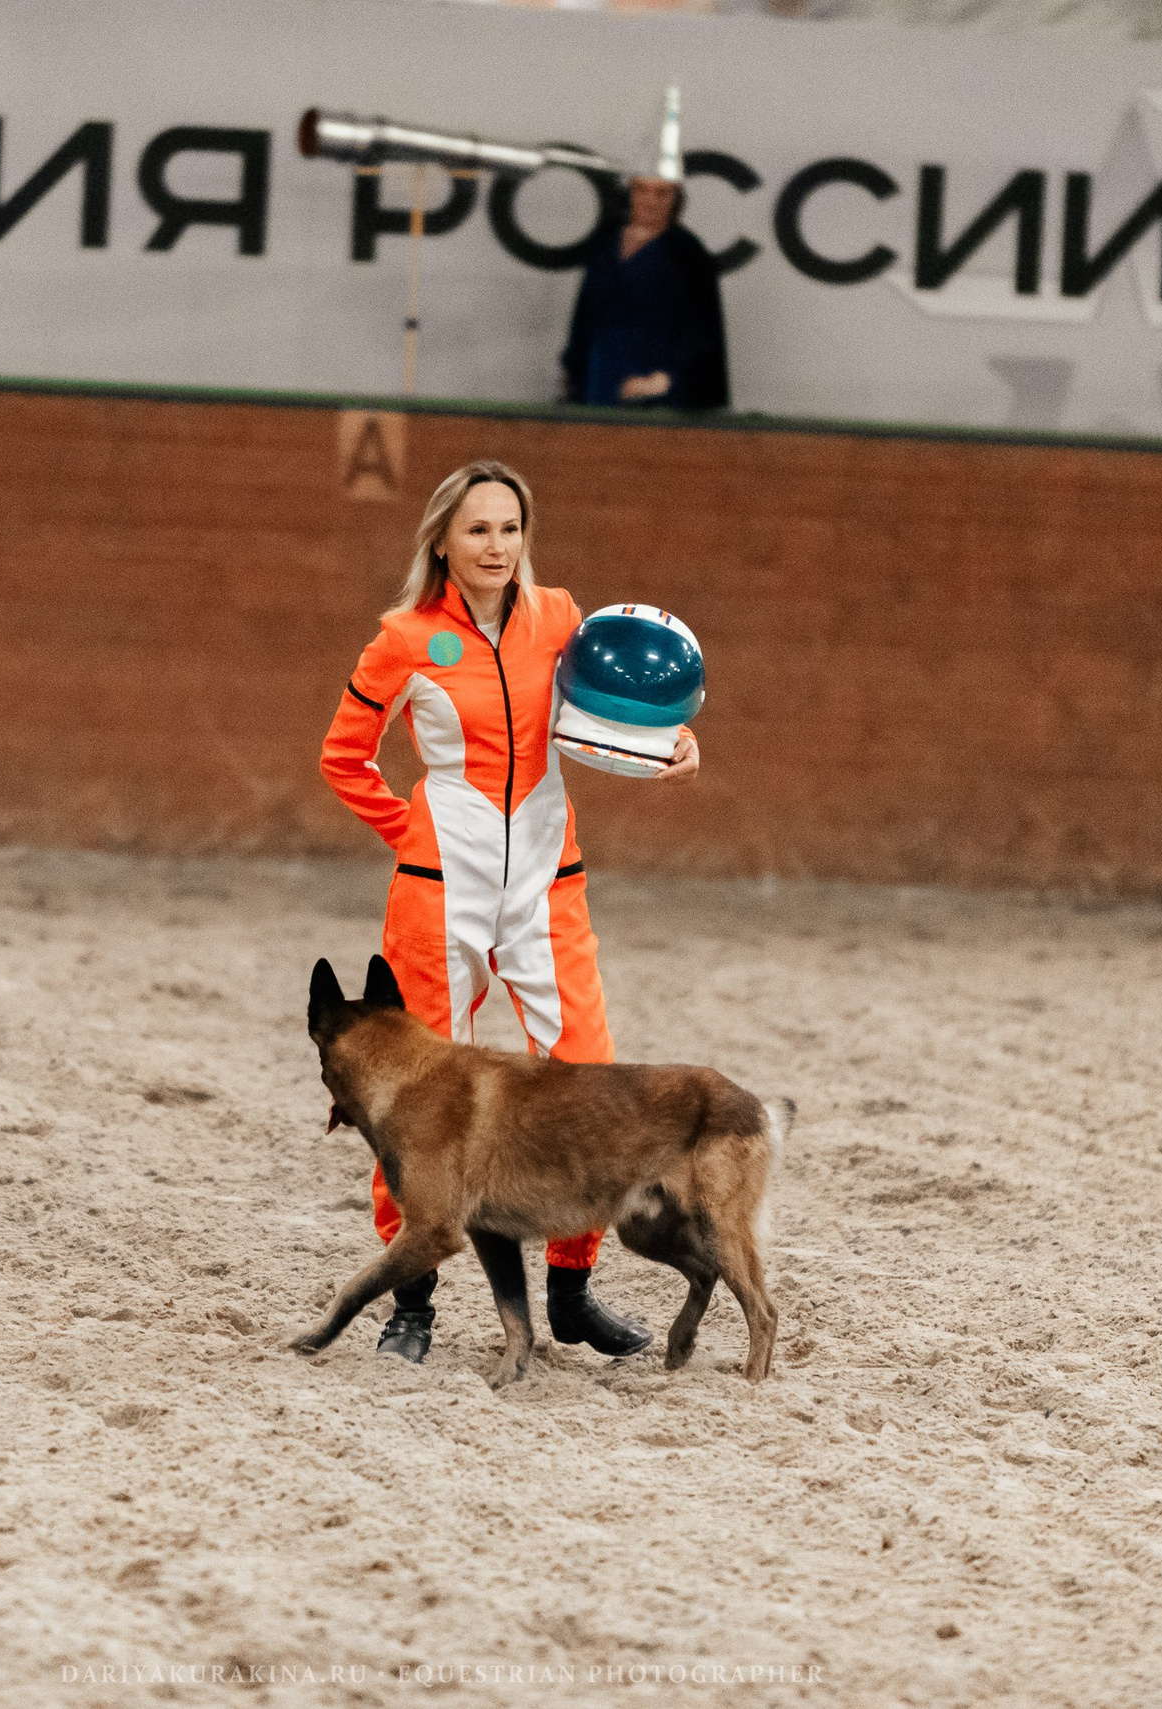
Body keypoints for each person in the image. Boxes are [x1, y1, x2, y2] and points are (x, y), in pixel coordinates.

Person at [319, 459, 700, 1364]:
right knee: (413, 1099)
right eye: (480, 529)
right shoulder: (402, 639)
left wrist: (675, 741)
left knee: (593, 1076)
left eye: (512, 528)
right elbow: (344, 758)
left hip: (545, 886)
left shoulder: (564, 620)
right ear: (443, 538)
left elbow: (627, 708)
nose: (498, 546)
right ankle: (411, 1299)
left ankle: (571, 1286)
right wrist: (411, 829)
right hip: (436, 893)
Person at [559, 172, 730, 412]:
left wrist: (668, 377)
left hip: (657, 376)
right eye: (641, 190)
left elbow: (702, 326)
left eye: (661, 193)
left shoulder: (687, 251)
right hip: (600, 367)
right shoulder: (606, 242)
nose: (650, 201)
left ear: (676, 199)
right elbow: (586, 310)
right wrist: (572, 363)